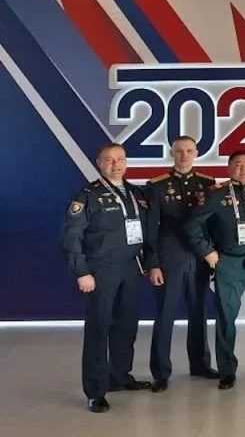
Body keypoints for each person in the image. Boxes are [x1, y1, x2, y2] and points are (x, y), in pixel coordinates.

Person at [61, 142, 152, 412]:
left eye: (120, 159)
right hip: (101, 270)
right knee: (99, 329)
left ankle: (120, 376)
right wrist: (82, 272)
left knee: (126, 326)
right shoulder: (87, 195)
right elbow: (71, 237)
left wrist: (150, 264)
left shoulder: (136, 194)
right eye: (109, 160)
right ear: (99, 163)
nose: (116, 164)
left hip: (132, 268)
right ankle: (95, 390)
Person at [184, 150, 245, 390]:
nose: (243, 168)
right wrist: (207, 251)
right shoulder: (216, 194)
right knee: (226, 319)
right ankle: (226, 370)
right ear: (228, 168)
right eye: (237, 164)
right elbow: (191, 224)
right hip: (228, 265)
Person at [144, 136, 219, 393]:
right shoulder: (156, 186)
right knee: (165, 315)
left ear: (196, 153)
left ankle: (200, 364)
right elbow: (150, 229)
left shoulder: (208, 184)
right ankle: (161, 372)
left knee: (199, 313)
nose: (184, 155)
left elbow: (213, 225)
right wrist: (153, 263)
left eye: (189, 151)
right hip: (169, 259)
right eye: (179, 151)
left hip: (199, 259)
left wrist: (214, 255)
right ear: (172, 154)